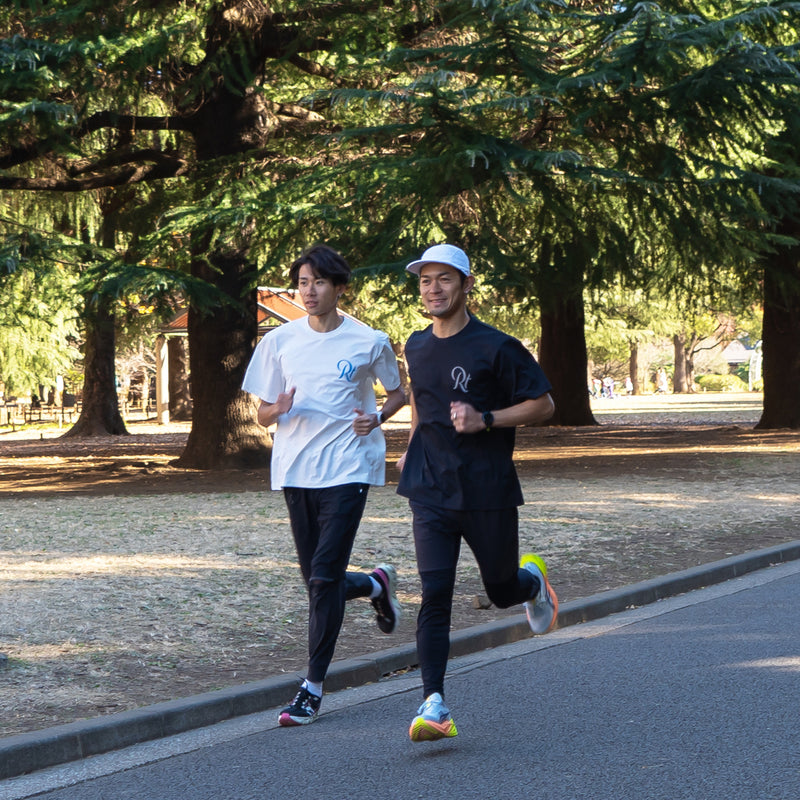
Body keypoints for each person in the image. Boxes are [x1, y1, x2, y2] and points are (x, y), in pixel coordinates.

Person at [397, 243, 558, 743]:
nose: (433, 289)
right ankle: (435, 705)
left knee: (499, 589)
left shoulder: (497, 346)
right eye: (426, 280)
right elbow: (424, 405)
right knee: (435, 594)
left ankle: (531, 584)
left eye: (445, 279)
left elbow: (544, 404)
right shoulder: (416, 345)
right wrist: (409, 448)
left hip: (486, 489)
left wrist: (486, 419)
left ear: (466, 285)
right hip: (429, 486)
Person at [242, 243, 407, 726]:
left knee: (320, 580)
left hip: (348, 468)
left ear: (338, 287)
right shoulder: (279, 341)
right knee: (317, 581)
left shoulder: (368, 340)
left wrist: (376, 418)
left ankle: (311, 689)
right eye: (301, 282)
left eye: (317, 282)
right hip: (296, 470)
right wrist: (281, 408)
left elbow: (398, 392)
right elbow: (262, 412)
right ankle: (376, 584)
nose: (308, 291)